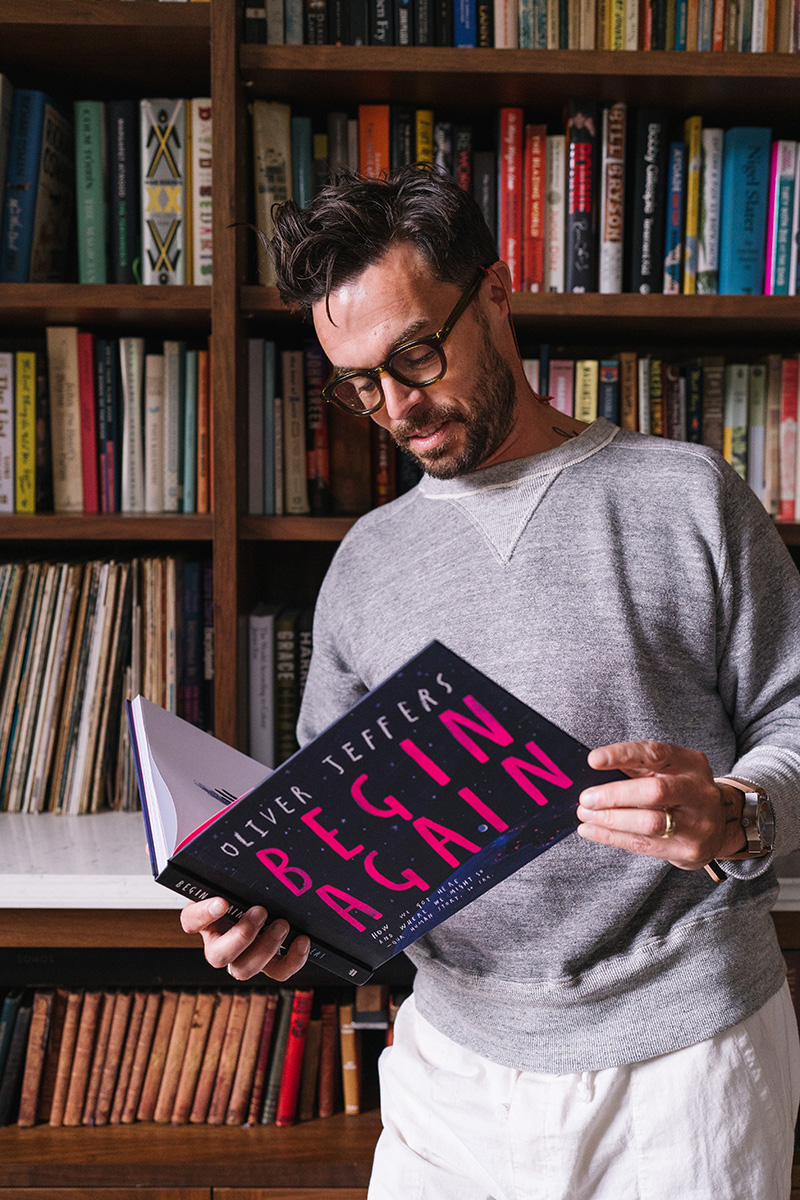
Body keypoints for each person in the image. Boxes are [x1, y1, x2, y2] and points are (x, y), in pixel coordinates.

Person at [181, 164, 800, 1198]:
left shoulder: (685, 495)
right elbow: (333, 847)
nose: (396, 407)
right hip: (446, 1071)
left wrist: (737, 812)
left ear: (496, 293)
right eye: (360, 383)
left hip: (683, 1058)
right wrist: (271, 923)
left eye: (415, 354)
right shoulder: (365, 564)